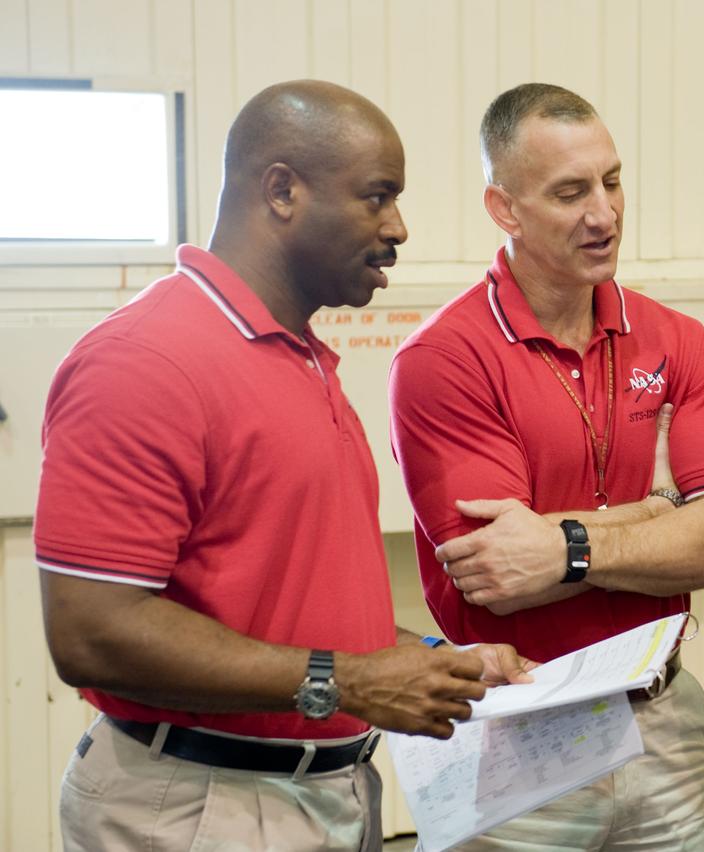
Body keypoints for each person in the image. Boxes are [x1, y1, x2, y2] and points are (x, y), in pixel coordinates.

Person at [36, 80, 531, 852]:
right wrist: (353, 681)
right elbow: (92, 633)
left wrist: (427, 660)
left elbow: (283, 611)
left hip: (322, 791)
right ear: (281, 190)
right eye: (376, 196)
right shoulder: (145, 363)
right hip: (202, 808)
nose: (397, 226)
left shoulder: (300, 359)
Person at [389, 82, 704, 849]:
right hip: (518, 726)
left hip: (662, 719)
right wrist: (656, 514)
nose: (604, 213)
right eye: (569, 192)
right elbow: (497, 572)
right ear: (504, 208)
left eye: (612, 181)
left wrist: (568, 547)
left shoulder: (677, 341)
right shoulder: (445, 359)